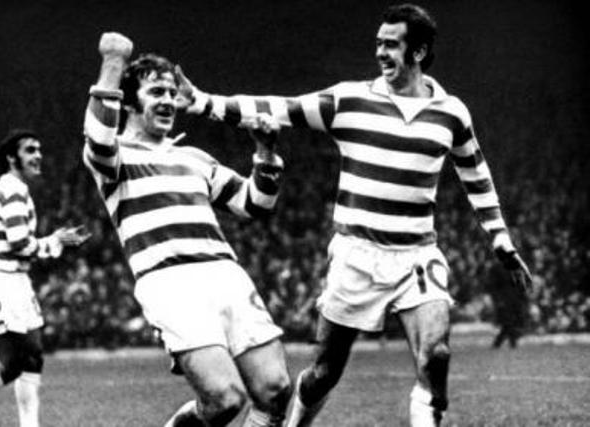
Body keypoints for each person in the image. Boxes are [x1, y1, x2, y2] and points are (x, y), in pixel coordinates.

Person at [178, 3, 533, 425]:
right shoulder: (350, 100)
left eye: (391, 44)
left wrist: (499, 236)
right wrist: (202, 102)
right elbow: (279, 107)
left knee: (436, 355)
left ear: (419, 52)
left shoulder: (452, 112)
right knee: (324, 373)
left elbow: (476, 173)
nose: (380, 52)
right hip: (356, 256)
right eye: (378, 43)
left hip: (417, 256)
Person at [83, 32, 291, 427]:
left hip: (225, 274)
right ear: (128, 102)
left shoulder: (195, 157)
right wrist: (113, 63)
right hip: (170, 281)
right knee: (225, 399)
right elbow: (98, 138)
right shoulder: (117, 158)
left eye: (171, 92)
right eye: (155, 92)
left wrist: (265, 151)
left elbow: (255, 204)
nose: (168, 100)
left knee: (276, 390)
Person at [0, 129, 89, 426]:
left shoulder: (15, 188)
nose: (38, 156)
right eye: (30, 150)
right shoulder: (11, 189)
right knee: (13, 363)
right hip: (2, 282)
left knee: (33, 356)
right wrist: (54, 241)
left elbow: (20, 243)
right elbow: (19, 244)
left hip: (16, 281)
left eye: (39, 149)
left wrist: (54, 240)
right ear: (12, 158)